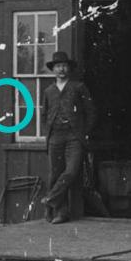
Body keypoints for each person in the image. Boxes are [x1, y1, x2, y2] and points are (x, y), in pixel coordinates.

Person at [40, 50, 96, 225]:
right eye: (58, 66)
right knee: (55, 174)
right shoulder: (49, 91)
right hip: (55, 136)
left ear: (69, 68)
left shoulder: (78, 87)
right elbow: (44, 114)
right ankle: (60, 212)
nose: (61, 69)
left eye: (64, 66)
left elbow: (91, 112)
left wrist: (84, 131)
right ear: (53, 69)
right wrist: (48, 131)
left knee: (71, 171)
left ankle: (51, 198)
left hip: (74, 136)